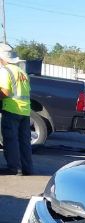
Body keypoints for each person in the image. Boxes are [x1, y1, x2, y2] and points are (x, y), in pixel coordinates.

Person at [0, 43, 33, 176]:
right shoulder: (22, 72)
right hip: (25, 111)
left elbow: (5, 91)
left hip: (12, 109)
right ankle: (27, 168)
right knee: (24, 142)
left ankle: (14, 168)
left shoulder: (4, 71)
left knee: (10, 140)